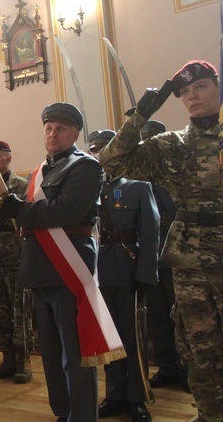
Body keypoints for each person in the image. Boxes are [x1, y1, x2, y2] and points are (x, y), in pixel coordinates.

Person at [99, 60, 222, 420]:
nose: (191, 96)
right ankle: (210, 413)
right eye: (184, 92)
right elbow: (112, 162)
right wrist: (138, 117)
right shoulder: (172, 144)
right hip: (190, 258)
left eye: (199, 87)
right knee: (200, 344)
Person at [0, 102, 104, 421]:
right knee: (51, 355)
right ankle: (63, 413)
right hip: (39, 270)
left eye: (60, 128)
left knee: (76, 356)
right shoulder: (37, 172)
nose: (52, 133)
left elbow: (66, 211)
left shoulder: (86, 166)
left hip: (68, 269)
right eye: (48, 128)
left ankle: (82, 416)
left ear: (75, 133)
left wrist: (18, 210)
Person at [89, 130, 159, 422]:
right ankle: (115, 394)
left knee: (132, 338)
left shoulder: (138, 188)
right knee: (108, 339)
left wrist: (146, 273)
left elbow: (150, 233)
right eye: (95, 150)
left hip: (128, 272)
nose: (100, 155)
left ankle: (137, 397)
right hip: (96, 274)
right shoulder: (85, 189)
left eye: (105, 149)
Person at [139, 121, 189, 393]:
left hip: (178, 253)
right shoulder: (138, 179)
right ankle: (167, 367)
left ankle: (186, 370)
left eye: (152, 141)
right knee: (157, 315)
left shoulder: (178, 171)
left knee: (180, 316)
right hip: (151, 254)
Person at [0, 140, 33, 384]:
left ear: (9, 159)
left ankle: (23, 362)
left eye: (0, 155)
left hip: (17, 256)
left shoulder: (21, 186)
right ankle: (7, 358)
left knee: (20, 311)